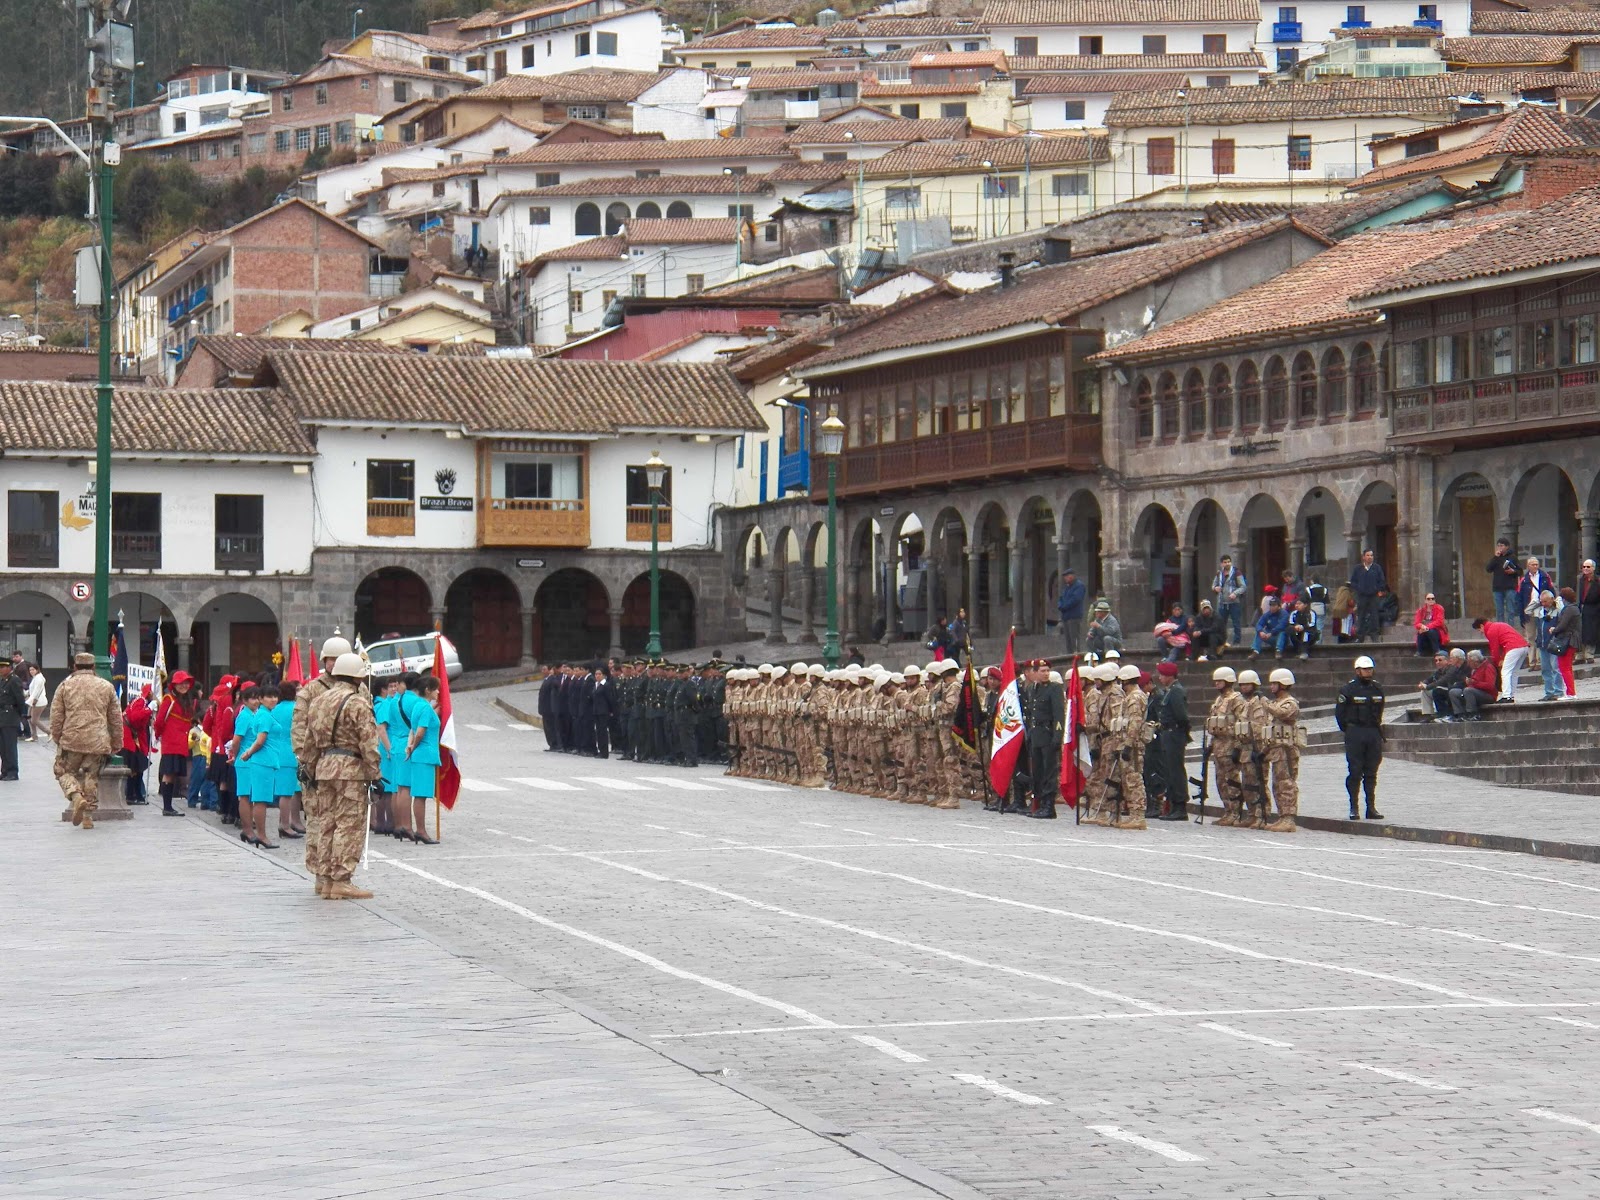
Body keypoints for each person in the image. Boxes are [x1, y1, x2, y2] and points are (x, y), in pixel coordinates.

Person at [304, 652, 383, 900]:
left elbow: (309, 741)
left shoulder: (319, 701)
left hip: (324, 767)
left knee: (326, 823)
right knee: (348, 824)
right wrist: (375, 773)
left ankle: (324, 879)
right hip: (351, 769)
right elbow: (369, 742)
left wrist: (309, 768)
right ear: (358, 678)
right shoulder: (358, 702)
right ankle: (341, 880)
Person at [50, 653, 122, 828]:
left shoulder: (65, 686)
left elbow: (56, 715)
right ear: (93, 667)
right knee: (92, 776)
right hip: (98, 740)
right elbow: (115, 717)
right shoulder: (106, 686)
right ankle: (88, 817)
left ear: (75, 666)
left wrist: (57, 736)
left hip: (71, 739)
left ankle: (76, 796)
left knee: (63, 771)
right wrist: (117, 741)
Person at [1335, 655, 1386, 821]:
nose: (1368, 672)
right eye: (1365, 669)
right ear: (1357, 671)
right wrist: (1350, 731)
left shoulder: (1377, 689)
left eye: (1370, 669)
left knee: (1371, 771)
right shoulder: (1348, 690)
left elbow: (1380, 711)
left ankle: (1371, 808)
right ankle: (1354, 807)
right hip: (1355, 732)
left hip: (1372, 732)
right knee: (1355, 771)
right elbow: (1340, 715)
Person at [1260, 668, 1303, 833]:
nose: (1271, 687)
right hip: (1276, 750)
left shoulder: (1290, 703)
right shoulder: (1276, 703)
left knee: (1286, 783)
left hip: (1287, 751)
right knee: (1277, 783)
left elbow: (1284, 714)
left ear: (1283, 684)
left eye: (1274, 684)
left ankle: (1289, 818)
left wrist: (1267, 705)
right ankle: (1281, 816)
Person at [152, 671, 200, 817]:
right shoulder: (169, 699)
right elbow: (159, 721)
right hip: (171, 742)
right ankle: (167, 807)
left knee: (173, 774)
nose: (184, 686)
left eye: (186, 683)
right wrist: (159, 736)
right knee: (168, 774)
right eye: (180, 683)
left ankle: (169, 807)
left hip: (181, 743)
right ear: (174, 684)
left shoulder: (186, 700)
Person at [402, 675, 442, 844]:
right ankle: (421, 830)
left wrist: (410, 747)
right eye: (435, 689)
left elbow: (412, 730)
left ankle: (421, 829)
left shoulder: (418, 705)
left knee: (420, 794)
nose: (438, 692)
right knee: (421, 795)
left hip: (420, 755)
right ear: (428, 690)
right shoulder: (425, 708)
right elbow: (420, 731)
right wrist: (414, 746)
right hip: (425, 754)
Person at [1024, 659, 1063, 819]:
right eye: (1042, 671)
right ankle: (1038, 802)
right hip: (1036, 735)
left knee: (1049, 772)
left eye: (1047, 670)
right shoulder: (1034, 689)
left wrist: (1057, 736)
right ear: (1035, 673)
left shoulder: (1054, 689)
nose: (1046, 673)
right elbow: (1031, 714)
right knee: (1038, 771)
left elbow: (1059, 714)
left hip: (1048, 734)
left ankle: (1049, 805)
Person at [1150, 661, 1189, 820]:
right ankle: (1173, 805)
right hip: (1168, 734)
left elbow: (1181, 716)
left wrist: (1181, 732)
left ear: (1170, 676)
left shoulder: (1176, 691)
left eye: (1162, 675)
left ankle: (1180, 806)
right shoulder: (1169, 691)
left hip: (1174, 733)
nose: (1160, 678)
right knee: (1169, 771)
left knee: (1176, 771)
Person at [273, 680, 305, 839]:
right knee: (287, 793)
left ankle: (283, 822)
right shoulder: (295, 708)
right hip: (291, 752)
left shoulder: (275, 709)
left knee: (284, 792)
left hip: (278, 752)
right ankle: (284, 825)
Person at [1535, 589, 1580, 701]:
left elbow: (1563, 624)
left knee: (1562, 668)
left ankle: (1568, 692)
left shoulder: (1568, 609)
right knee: (1562, 668)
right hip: (1548, 642)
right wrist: (1537, 602)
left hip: (1566, 641)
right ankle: (1567, 692)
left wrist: (1554, 630)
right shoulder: (1571, 609)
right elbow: (1528, 610)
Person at [1472, 616, 1529, 703]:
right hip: (1523, 647)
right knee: (1514, 672)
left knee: (1505, 672)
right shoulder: (1498, 625)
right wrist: (1502, 658)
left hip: (1513, 647)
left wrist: (1496, 661)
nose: (1481, 632)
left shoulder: (1490, 630)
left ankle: (1506, 696)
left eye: (1479, 630)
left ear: (1482, 626)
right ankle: (1511, 695)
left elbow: (1495, 649)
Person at [121, 684, 153, 806]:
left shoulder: (139, 701)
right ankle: (132, 795)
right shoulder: (141, 701)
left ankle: (136, 794)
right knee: (135, 767)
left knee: (137, 767)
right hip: (131, 738)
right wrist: (148, 710)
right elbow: (135, 717)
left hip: (133, 737)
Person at [1349, 549, 1387, 643]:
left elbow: (1382, 580)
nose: (1370, 557)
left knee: (1374, 615)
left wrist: (1378, 589)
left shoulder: (1377, 568)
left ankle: (1374, 635)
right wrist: (1359, 589)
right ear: (1363, 557)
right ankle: (1360, 636)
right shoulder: (1358, 569)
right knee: (1361, 615)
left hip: (1373, 595)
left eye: (1371, 555)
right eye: (1368, 555)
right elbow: (1353, 582)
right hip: (1362, 596)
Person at [1449, 649, 1497, 721]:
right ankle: (1459, 714)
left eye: (1469, 661)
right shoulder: (1474, 669)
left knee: (1468, 690)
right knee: (1454, 692)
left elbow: (1490, 686)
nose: (1468, 664)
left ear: (1475, 661)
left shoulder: (1488, 667)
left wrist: (1473, 683)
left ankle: (1472, 713)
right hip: (1474, 691)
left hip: (1488, 695)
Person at [1416, 649, 1465, 720]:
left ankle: (1443, 713)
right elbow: (1430, 678)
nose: (1437, 662)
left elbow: (1442, 681)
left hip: (1451, 689)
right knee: (1425, 692)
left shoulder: (1452, 669)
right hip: (1444, 689)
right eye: (1436, 660)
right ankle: (1428, 714)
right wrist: (1423, 683)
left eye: (1440, 660)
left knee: (1437, 690)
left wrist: (1427, 686)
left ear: (1447, 661)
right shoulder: (1439, 670)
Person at [1212, 555, 1247, 648]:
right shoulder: (1219, 574)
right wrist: (1216, 588)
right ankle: (1222, 642)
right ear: (1221, 563)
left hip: (1234, 602)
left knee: (1236, 623)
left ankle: (1237, 643)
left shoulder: (1236, 572)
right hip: (1222, 603)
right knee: (1221, 624)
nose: (1227, 564)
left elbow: (1243, 586)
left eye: (1228, 562)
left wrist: (1235, 593)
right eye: (1225, 562)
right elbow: (1213, 585)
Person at [0, 658, 26, 781]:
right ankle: (4, 770)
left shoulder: (14, 680)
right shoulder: (2, 680)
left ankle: (12, 771)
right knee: (3, 747)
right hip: (2, 717)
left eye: (2, 667)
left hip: (10, 716)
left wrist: (22, 716)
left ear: (9, 668)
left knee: (10, 746)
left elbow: (20, 699)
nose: (0, 670)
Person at [1486, 538, 1520, 625]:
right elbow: (1488, 569)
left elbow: (1520, 571)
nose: (1499, 547)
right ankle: (1501, 629)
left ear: (1507, 547)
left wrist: (1513, 571)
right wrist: (1495, 557)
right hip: (1497, 588)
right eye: (1498, 546)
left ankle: (1511, 628)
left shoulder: (1513, 557)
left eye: (1501, 545)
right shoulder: (1496, 558)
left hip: (1510, 587)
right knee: (1499, 611)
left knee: (1510, 610)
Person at [1057, 570, 1087, 655]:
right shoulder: (1067, 587)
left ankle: (1076, 655)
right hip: (1066, 616)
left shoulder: (1079, 586)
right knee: (1068, 639)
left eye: (1067, 576)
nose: (1065, 578)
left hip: (1074, 616)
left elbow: (1076, 599)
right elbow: (1061, 598)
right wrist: (1060, 605)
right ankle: (1069, 655)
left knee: (1074, 638)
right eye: (1065, 577)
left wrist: (1064, 606)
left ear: (1072, 576)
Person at [1412, 592, 1449, 658]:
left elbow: (1439, 622)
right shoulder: (1421, 610)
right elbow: (1417, 623)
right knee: (1420, 632)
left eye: (1432, 598)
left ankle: (1436, 650)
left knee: (1430, 631)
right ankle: (1420, 651)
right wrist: (1422, 626)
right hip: (1424, 631)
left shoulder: (1439, 608)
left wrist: (1427, 627)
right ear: (1425, 600)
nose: (1431, 600)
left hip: (1437, 631)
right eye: (1428, 599)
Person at [1578, 559, 1600, 663]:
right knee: (1580, 631)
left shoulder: (1598, 581)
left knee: (1591, 631)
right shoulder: (1579, 579)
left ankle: (1589, 654)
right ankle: (1580, 655)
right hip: (1581, 607)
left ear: (1593, 568)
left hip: (1593, 608)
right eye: (1584, 567)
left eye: (1588, 567)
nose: (1586, 569)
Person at [24, 664, 48, 742]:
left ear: (37, 670)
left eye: (33, 669)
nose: (31, 671)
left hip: (38, 702)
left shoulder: (39, 679)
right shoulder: (35, 678)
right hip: (33, 701)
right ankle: (34, 736)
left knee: (34, 720)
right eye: (30, 670)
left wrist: (31, 700)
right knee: (29, 718)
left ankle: (49, 732)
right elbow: (32, 690)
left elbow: (36, 691)